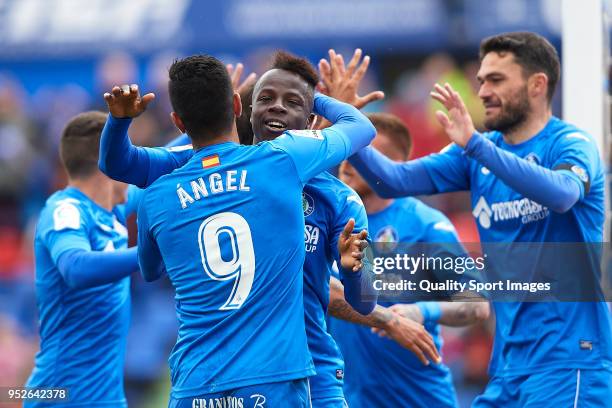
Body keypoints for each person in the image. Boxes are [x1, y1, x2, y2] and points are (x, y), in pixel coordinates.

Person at [99, 51, 439, 407]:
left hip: (312, 376)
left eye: (292, 101)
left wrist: (360, 276)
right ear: (241, 107)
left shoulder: (341, 199)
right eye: (265, 96)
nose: (276, 107)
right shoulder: (272, 163)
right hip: (274, 377)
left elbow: (371, 298)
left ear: (310, 119)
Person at [347, 32, 612, 406]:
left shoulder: (569, 144)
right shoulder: (476, 155)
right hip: (508, 368)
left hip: (570, 364)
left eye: (496, 80)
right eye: (482, 80)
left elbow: (564, 194)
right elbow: (392, 180)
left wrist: (475, 144)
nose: (483, 91)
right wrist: (346, 123)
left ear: (538, 84)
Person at [328, 112, 490, 408]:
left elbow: (477, 304)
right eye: (349, 153)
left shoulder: (426, 224)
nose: (349, 163)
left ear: (392, 168)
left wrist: (422, 311)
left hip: (419, 399)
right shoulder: (329, 221)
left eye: (365, 157)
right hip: (345, 398)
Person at [26, 111, 140, 407]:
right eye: (129, 154)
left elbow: (167, 158)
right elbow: (75, 267)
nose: (135, 162)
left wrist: (209, 116)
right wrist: (148, 253)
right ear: (111, 161)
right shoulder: (65, 210)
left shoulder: (111, 210)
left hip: (107, 399)